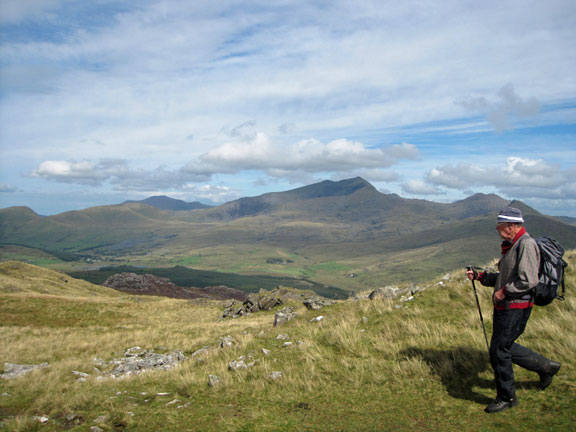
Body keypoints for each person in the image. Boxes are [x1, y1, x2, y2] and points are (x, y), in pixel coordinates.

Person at [466, 207, 561, 414]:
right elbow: (506, 277)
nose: (498, 229)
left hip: (515, 306)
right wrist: (481, 277)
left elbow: (528, 280)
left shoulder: (526, 244)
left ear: (511, 225)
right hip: (509, 306)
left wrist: (504, 292)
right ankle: (546, 367)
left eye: (500, 226)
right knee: (504, 347)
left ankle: (506, 397)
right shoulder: (514, 245)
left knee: (499, 350)